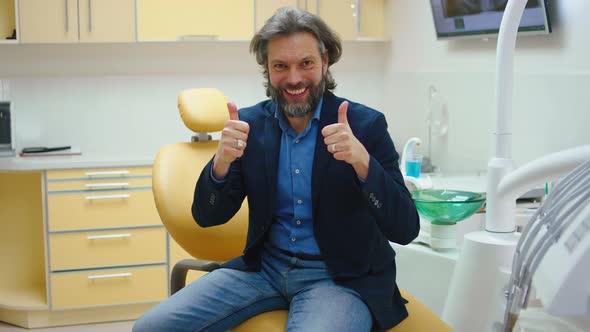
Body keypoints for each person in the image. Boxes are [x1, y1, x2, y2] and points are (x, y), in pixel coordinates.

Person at [133, 7, 419, 332]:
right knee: (150, 328)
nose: (294, 78)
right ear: (267, 71)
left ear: (325, 63)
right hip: (263, 270)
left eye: (306, 63)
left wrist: (362, 163)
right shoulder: (249, 125)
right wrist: (221, 163)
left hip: (338, 278)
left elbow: (406, 229)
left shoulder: (365, 126)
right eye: (280, 66)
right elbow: (207, 217)